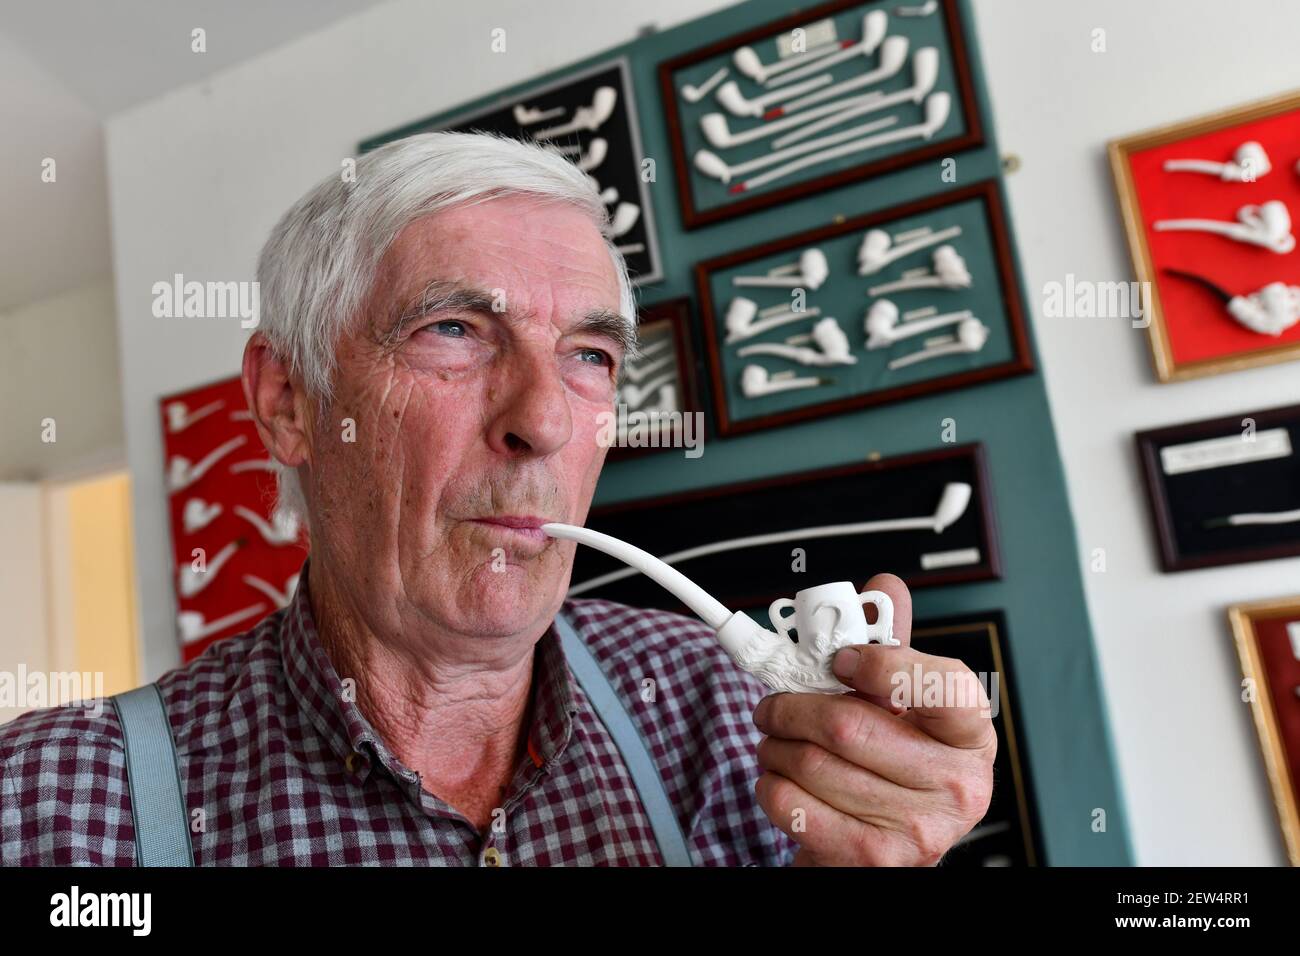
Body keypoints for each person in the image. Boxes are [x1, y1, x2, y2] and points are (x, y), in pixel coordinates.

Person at [0, 132, 995, 865]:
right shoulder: (57, 807)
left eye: (590, 356)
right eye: (453, 331)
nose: (545, 422)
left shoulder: (734, 712)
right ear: (290, 402)